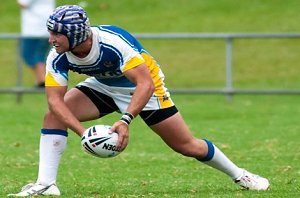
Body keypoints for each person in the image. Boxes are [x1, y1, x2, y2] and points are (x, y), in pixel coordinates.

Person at [8, 5, 270, 197]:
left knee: (187, 146)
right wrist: (83, 132)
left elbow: (144, 83)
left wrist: (125, 120)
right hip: (103, 86)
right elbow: (55, 100)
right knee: (52, 116)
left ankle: (240, 175)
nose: (51, 39)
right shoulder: (57, 54)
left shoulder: (113, 42)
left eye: (57, 34)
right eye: (50, 32)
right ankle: (45, 184)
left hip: (144, 88)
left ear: (76, 34)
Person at [17, 0, 55, 88]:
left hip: (34, 28)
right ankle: (42, 80)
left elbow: (23, 3)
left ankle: (43, 80)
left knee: (30, 54)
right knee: (41, 55)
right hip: (47, 25)